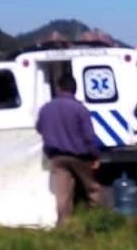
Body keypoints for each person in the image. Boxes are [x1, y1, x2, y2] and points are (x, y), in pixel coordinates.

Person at [35, 74, 101, 225]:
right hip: (79, 156)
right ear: (75, 90)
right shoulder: (80, 109)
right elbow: (89, 136)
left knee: (63, 194)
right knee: (92, 188)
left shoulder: (46, 108)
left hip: (56, 157)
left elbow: (39, 128)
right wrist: (95, 156)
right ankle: (97, 219)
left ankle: (65, 225)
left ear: (58, 88)